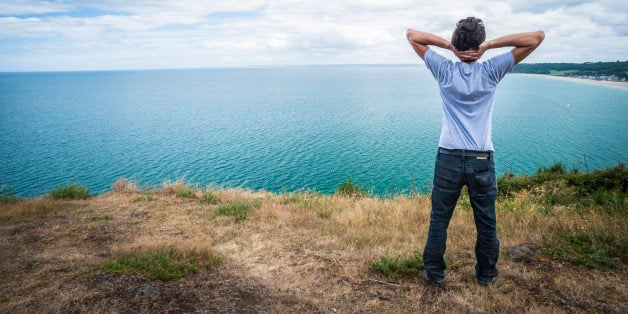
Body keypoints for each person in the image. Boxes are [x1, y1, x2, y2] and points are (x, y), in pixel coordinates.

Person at [406, 17, 544, 287]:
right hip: (481, 158)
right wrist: (489, 46)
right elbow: (536, 37)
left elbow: (412, 35)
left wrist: (451, 47)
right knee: (486, 221)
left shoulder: (444, 69)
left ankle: (434, 275)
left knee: (439, 221)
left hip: (448, 156)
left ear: (457, 42)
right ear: (479, 44)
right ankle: (486, 276)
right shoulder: (492, 69)